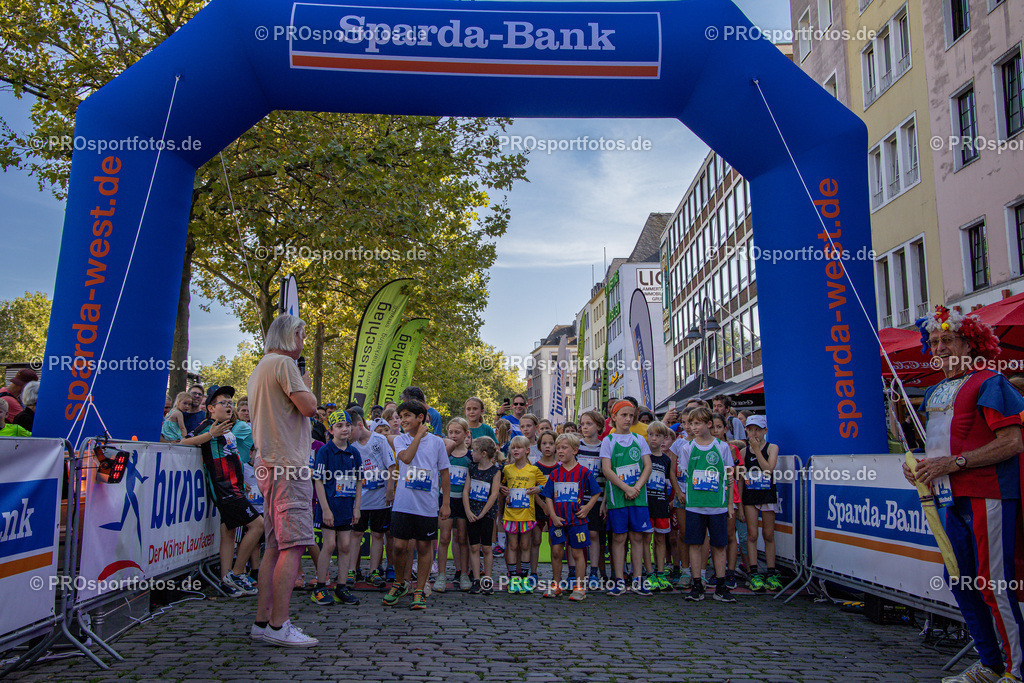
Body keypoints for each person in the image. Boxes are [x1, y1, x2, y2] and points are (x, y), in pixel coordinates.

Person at [903, 305, 1024, 683]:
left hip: (987, 493)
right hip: (948, 498)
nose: (939, 346)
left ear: (969, 344)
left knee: (994, 585)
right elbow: (941, 447)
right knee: (961, 581)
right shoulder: (936, 389)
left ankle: (1017, 671)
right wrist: (919, 467)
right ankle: (990, 664)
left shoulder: (990, 382)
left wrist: (954, 463)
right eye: (934, 341)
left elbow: (1012, 441)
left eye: (948, 340)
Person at [246, 314, 318, 647]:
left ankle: (263, 621)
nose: (304, 342)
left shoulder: (259, 367)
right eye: (302, 335)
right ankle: (279, 625)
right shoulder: (285, 366)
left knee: (274, 545)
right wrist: (304, 377)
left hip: (268, 463)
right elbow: (308, 407)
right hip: (288, 464)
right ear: (294, 336)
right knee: (294, 545)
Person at [180, 386, 264, 598]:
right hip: (224, 488)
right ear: (210, 408)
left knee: (228, 531)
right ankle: (236, 573)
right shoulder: (208, 425)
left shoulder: (227, 427)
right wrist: (210, 434)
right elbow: (183, 442)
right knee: (258, 525)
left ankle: (225, 580)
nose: (229, 406)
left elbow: (232, 455)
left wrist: (241, 479)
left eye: (230, 403)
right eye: (223, 403)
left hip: (235, 485)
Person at [383, 400, 451, 610]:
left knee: (423, 546)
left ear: (420, 418)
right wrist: (418, 436)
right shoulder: (400, 440)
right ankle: (400, 583)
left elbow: (444, 473)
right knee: (400, 546)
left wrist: (446, 502)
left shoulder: (437, 443)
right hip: (404, 503)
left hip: (427, 505)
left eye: (406, 416)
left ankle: (420, 589)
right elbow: (406, 458)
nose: (402, 420)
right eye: (400, 416)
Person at [673, 407, 735, 603]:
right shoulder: (687, 448)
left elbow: (730, 477)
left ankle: (721, 585)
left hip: (717, 505)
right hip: (695, 506)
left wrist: (731, 504)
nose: (693, 427)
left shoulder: (722, 447)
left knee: (718, 545)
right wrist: (682, 494)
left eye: (697, 423)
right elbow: (684, 474)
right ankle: (697, 583)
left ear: (709, 424)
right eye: (691, 424)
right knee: (695, 544)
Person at [601, 400, 654, 596]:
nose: (628, 419)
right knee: (619, 537)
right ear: (614, 417)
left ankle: (638, 579)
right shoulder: (609, 441)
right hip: (618, 498)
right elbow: (607, 469)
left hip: (638, 498)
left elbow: (647, 466)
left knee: (637, 537)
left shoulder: (640, 439)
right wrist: (625, 488)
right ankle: (619, 580)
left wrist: (636, 488)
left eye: (631, 415)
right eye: (624, 415)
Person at [540, 432, 600, 601]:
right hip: (558, 520)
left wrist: (587, 507)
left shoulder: (584, 472)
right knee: (557, 551)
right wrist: (552, 515)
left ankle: (580, 587)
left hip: (577, 521)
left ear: (575, 450)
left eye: (564, 448)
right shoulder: (554, 474)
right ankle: (556, 584)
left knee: (577, 552)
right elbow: (548, 496)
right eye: (558, 448)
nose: (560, 451)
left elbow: (596, 492)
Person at [310, 410, 361, 607]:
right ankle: (320, 587)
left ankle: (341, 587)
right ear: (330, 430)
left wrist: (357, 508)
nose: (344, 429)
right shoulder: (324, 451)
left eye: (347, 425)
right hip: (329, 506)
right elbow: (319, 481)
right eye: (339, 426)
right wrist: (325, 509)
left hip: (347, 507)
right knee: (329, 545)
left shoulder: (354, 452)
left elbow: (358, 481)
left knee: (346, 545)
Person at [349, 409, 398, 587]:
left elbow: (391, 466)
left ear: (360, 425)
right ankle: (352, 571)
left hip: (380, 499)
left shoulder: (380, 440)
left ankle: (373, 571)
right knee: (356, 533)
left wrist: (390, 490)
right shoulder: (352, 446)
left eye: (350, 429)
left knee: (378, 534)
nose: (348, 433)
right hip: (360, 499)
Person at [738, 414, 781, 592]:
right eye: (750, 429)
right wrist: (739, 503)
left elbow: (768, 469)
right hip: (750, 496)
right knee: (752, 534)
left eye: (757, 429)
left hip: (767, 494)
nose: (754, 433)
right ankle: (754, 571)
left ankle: (771, 572)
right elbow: (740, 478)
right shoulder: (743, 452)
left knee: (769, 534)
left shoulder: (772, 448)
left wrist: (756, 449)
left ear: (765, 431)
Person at [501, 435, 546, 594]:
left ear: (527, 450)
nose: (515, 450)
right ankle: (513, 579)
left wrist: (538, 489)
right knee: (512, 546)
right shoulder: (506, 469)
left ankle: (525, 579)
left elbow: (547, 484)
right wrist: (501, 488)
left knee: (525, 545)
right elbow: (499, 484)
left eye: (519, 448)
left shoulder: (533, 470)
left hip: (527, 515)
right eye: (513, 448)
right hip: (511, 515)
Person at [463, 436, 502, 595]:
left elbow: (494, 495)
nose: (471, 453)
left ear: (484, 453)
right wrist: (468, 510)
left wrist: (483, 513)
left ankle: (487, 579)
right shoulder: (471, 468)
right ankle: (476, 579)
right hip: (471, 512)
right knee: (473, 546)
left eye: (474, 450)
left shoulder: (495, 471)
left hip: (486, 514)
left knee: (486, 547)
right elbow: (466, 490)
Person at [437, 417, 472, 592]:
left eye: (457, 432)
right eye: (450, 432)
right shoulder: (445, 454)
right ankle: (441, 575)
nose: (453, 435)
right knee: (444, 538)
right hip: (446, 500)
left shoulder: (471, 457)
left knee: (462, 538)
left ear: (466, 434)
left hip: (463, 502)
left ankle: (463, 572)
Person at [644, 421, 674, 591]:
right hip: (647, 505)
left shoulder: (666, 460)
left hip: (661, 504)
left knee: (661, 539)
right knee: (647, 539)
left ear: (664, 439)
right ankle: (649, 573)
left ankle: (661, 572)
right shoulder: (644, 457)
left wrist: (674, 499)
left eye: (658, 436)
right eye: (651, 435)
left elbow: (670, 481)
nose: (654, 439)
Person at [531, 430, 559, 583]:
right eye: (544, 443)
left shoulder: (560, 467)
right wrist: (542, 505)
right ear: (539, 446)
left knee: (555, 543)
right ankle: (533, 572)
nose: (548, 447)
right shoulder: (535, 467)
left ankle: (557, 576)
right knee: (535, 540)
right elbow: (532, 489)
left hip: (556, 510)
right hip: (538, 508)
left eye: (551, 443)